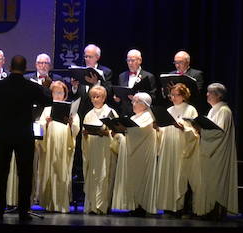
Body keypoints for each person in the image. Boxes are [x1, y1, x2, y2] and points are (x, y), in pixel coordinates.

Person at [0, 54, 51, 220]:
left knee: (1, 173)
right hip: (24, 134)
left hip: (4, 132)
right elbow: (47, 101)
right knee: (25, 174)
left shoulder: (0, 85)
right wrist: (45, 88)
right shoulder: (31, 86)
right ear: (25, 68)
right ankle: (23, 212)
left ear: (10, 67)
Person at [191, 82, 238, 219]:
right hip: (211, 151)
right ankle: (207, 209)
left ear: (218, 95)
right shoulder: (213, 110)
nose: (207, 95)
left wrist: (202, 130)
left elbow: (219, 133)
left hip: (218, 153)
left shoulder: (224, 111)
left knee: (215, 181)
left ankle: (215, 211)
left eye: (210, 93)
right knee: (208, 180)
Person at [152, 82, 198, 216]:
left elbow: (195, 131)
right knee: (167, 175)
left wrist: (183, 128)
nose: (173, 98)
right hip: (168, 147)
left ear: (184, 96)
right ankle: (167, 206)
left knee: (179, 176)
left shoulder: (190, 110)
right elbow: (165, 129)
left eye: (176, 95)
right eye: (171, 95)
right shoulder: (169, 110)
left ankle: (180, 207)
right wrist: (158, 128)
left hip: (181, 148)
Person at [111, 91, 159, 216]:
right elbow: (131, 131)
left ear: (145, 104)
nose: (133, 104)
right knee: (133, 178)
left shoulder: (148, 116)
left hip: (143, 152)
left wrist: (125, 129)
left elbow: (140, 132)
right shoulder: (134, 117)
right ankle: (133, 205)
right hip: (134, 153)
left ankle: (142, 206)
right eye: (133, 101)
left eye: (137, 102)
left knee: (141, 178)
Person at [37, 80, 78, 212]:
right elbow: (40, 126)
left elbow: (75, 129)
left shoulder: (70, 109)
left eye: (60, 92)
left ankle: (61, 203)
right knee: (50, 170)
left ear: (65, 94)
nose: (58, 95)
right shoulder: (47, 109)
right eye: (55, 92)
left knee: (62, 171)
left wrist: (71, 123)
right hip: (50, 144)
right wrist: (46, 123)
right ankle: (49, 202)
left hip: (64, 145)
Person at [79, 83, 117, 215]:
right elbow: (84, 133)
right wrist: (85, 135)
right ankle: (91, 206)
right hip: (92, 150)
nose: (95, 99)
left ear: (104, 98)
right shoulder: (88, 114)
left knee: (104, 176)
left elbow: (116, 133)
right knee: (93, 176)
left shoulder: (110, 112)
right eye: (93, 97)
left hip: (105, 149)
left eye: (98, 97)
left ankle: (102, 206)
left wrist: (107, 133)